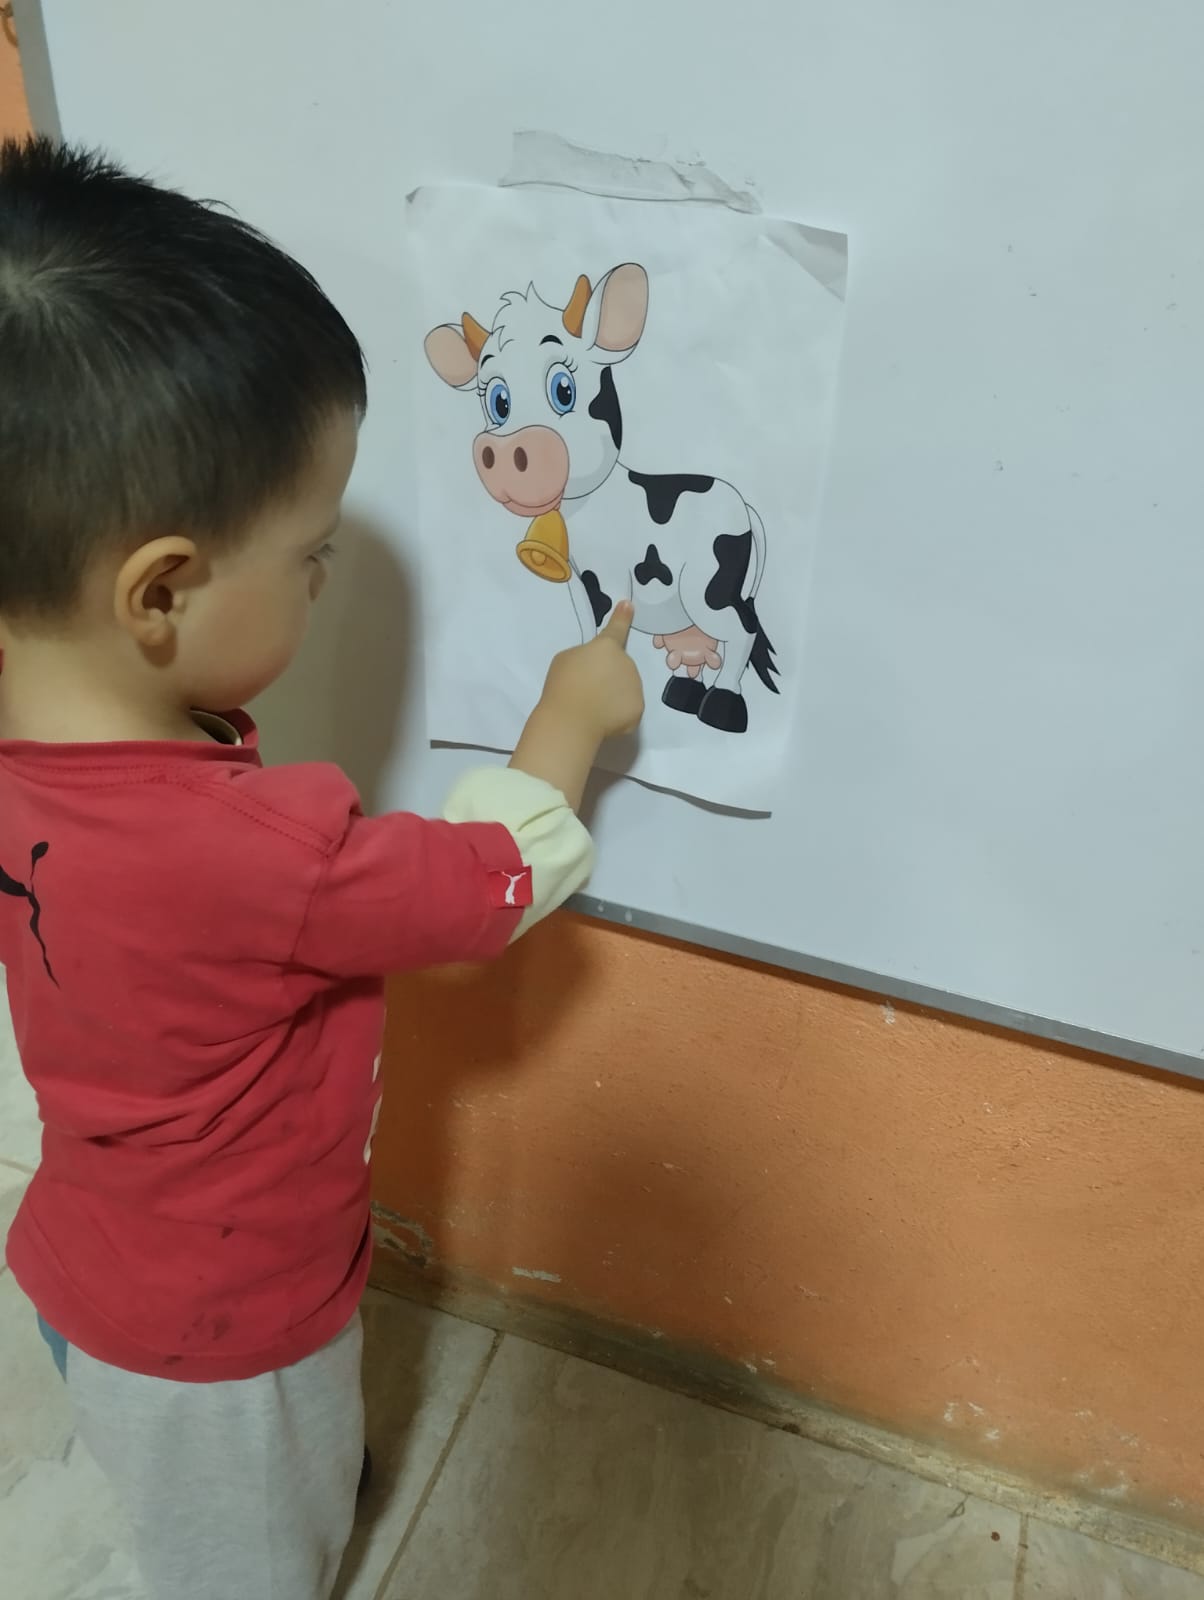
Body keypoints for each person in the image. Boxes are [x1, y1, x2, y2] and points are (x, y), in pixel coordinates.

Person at [0, 136, 643, 1600]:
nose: (322, 578)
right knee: (249, 1564)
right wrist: (568, 720)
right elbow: (487, 882)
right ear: (161, 592)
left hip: (85, 1265)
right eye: (311, 559)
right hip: (228, 1336)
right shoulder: (262, 851)